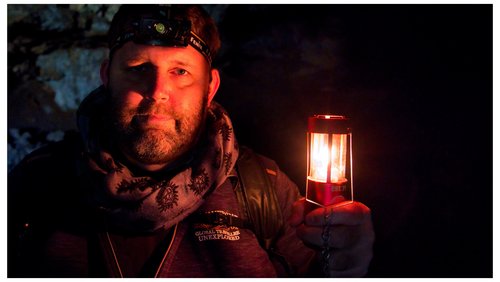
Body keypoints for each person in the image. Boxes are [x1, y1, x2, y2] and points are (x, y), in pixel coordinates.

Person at [8, 4, 374, 278]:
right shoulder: (39, 183)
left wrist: (344, 264)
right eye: (138, 69)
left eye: (180, 72)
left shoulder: (265, 189)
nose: (157, 91)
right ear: (107, 77)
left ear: (210, 86)